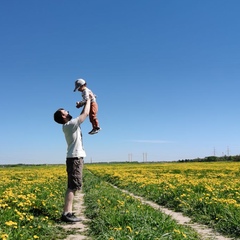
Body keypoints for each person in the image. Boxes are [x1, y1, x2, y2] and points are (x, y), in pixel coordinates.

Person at [53, 97, 91, 223]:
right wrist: (89, 99)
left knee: (73, 186)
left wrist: (84, 103)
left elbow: (82, 113)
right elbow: (85, 114)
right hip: (75, 158)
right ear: (63, 116)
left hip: (75, 157)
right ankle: (66, 213)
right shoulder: (69, 125)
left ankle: (68, 212)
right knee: (72, 187)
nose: (68, 111)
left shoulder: (69, 125)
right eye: (66, 111)